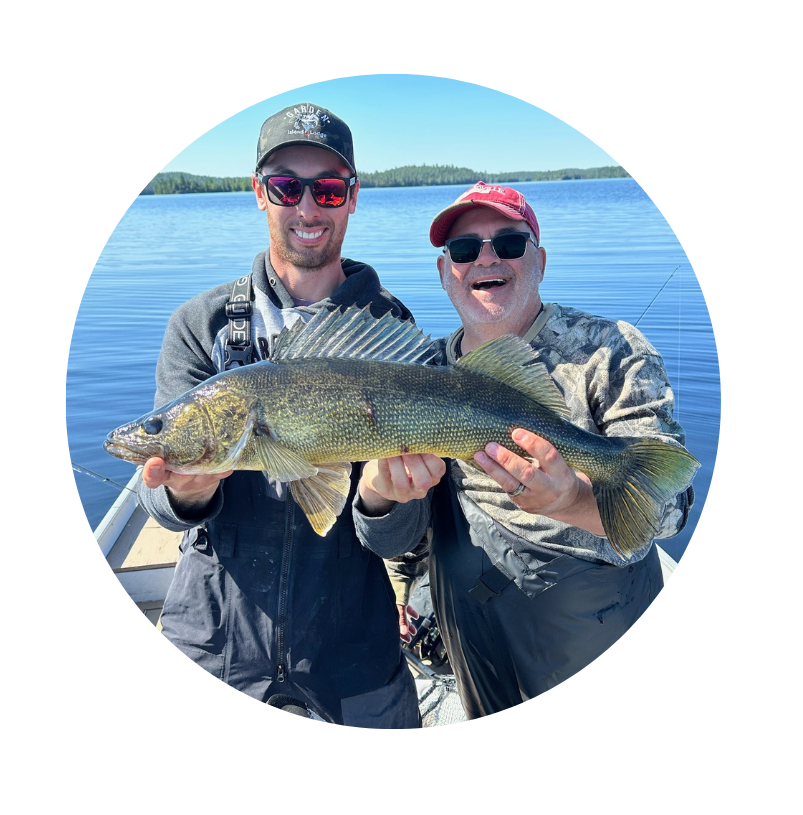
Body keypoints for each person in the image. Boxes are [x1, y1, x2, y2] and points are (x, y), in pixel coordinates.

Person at [353, 181, 697, 719]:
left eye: (509, 243)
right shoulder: (418, 374)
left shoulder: (612, 351)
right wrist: (379, 499)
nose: (486, 259)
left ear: (539, 259)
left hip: (594, 629)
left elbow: (671, 508)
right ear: (446, 274)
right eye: (465, 250)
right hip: (471, 628)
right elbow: (399, 540)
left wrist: (574, 501)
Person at [137, 103, 420, 728]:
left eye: (327, 188)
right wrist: (186, 491)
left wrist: (383, 503)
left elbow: (405, 539)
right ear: (260, 195)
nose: (307, 208)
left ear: (351, 199)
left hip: (354, 649)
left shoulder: (393, 330)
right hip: (215, 645)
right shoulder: (200, 325)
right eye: (286, 187)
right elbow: (160, 503)